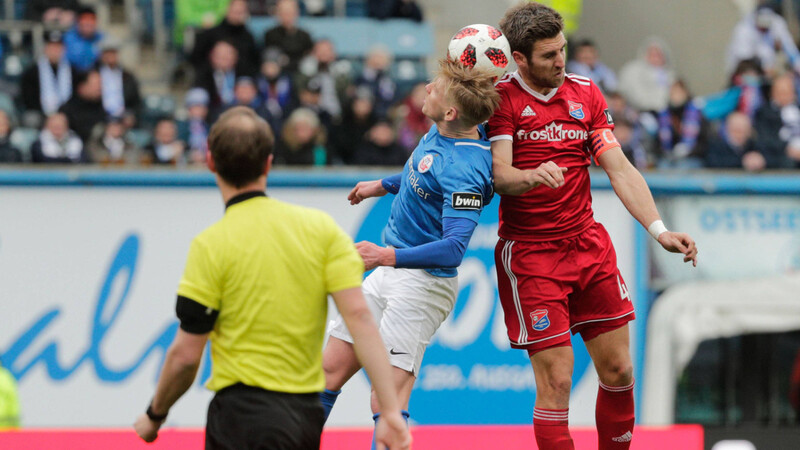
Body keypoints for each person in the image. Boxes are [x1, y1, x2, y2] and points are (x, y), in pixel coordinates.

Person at [133, 107, 411, 450]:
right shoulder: (319, 229)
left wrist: (155, 414)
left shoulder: (210, 245)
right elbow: (361, 320)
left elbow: (185, 357)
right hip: (302, 416)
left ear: (210, 161)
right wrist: (391, 414)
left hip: (238, 416)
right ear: (268, 162)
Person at [489, 4, 698, 449]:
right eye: (549, 56)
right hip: (531, 254)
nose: (561, 62)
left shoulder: (586, 94)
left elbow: (620, 170)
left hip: (587, 245)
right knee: (558, 380)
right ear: (520, 59)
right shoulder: (501, 99)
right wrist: (530, 175)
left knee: (620, 370)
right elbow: (499, 174)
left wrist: (659, 229)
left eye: (562, 50)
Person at [320, 59, 500, 446]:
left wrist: (383, 257)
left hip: (422, 286)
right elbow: (422, 171)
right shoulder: (443, 132)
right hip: (390, 270)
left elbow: (453, 250)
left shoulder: (465, 168)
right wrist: (383, 185)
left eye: (435, 88)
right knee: (328, 372)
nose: (427, 88)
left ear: (451, 111)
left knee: (386, 399)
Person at [190, 0, 260, 77]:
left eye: (240, 12)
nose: (237, 15)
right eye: (235, 11)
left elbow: (253, 64)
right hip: (209, 80)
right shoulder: (210, 34)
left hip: (239, 82)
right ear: (227, 10)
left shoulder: (248, 37)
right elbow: (196, 60)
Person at [20, 30, 79, 117]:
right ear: (46, 48)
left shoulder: (72, 71)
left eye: (58, 47)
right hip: (41, 115)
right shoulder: (32, 72)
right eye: (52, 47)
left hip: (67, 115)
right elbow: (29, 99)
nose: (55, 51)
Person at [262, 0, 314, 74]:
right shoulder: (270, 35)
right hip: (278, 75)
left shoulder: (304, 36)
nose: (287, 16)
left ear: (296, 13)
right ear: (277, 13)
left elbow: (309, 58)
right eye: (283, 12)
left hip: (300, 73)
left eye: (290, 12)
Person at [97, 39, 141, 122]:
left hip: (123, 119)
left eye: (113, 52)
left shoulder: (127, 76)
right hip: (101, 118)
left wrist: (131, 115)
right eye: (107, 53)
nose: (110, 56)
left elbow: (136, 101)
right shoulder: (95, 75)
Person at [59, 70, 106, 143]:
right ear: (82, 87)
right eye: (97, 84)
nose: (100, 88)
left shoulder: (100, 107)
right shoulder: (67, 111)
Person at [63, 6, 104, 71]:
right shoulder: (67, 39)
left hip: (96, 75)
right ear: (78, 22)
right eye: (85, 19)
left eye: (91, 19)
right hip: (73, 75)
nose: (88, 23)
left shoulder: (102, 38)